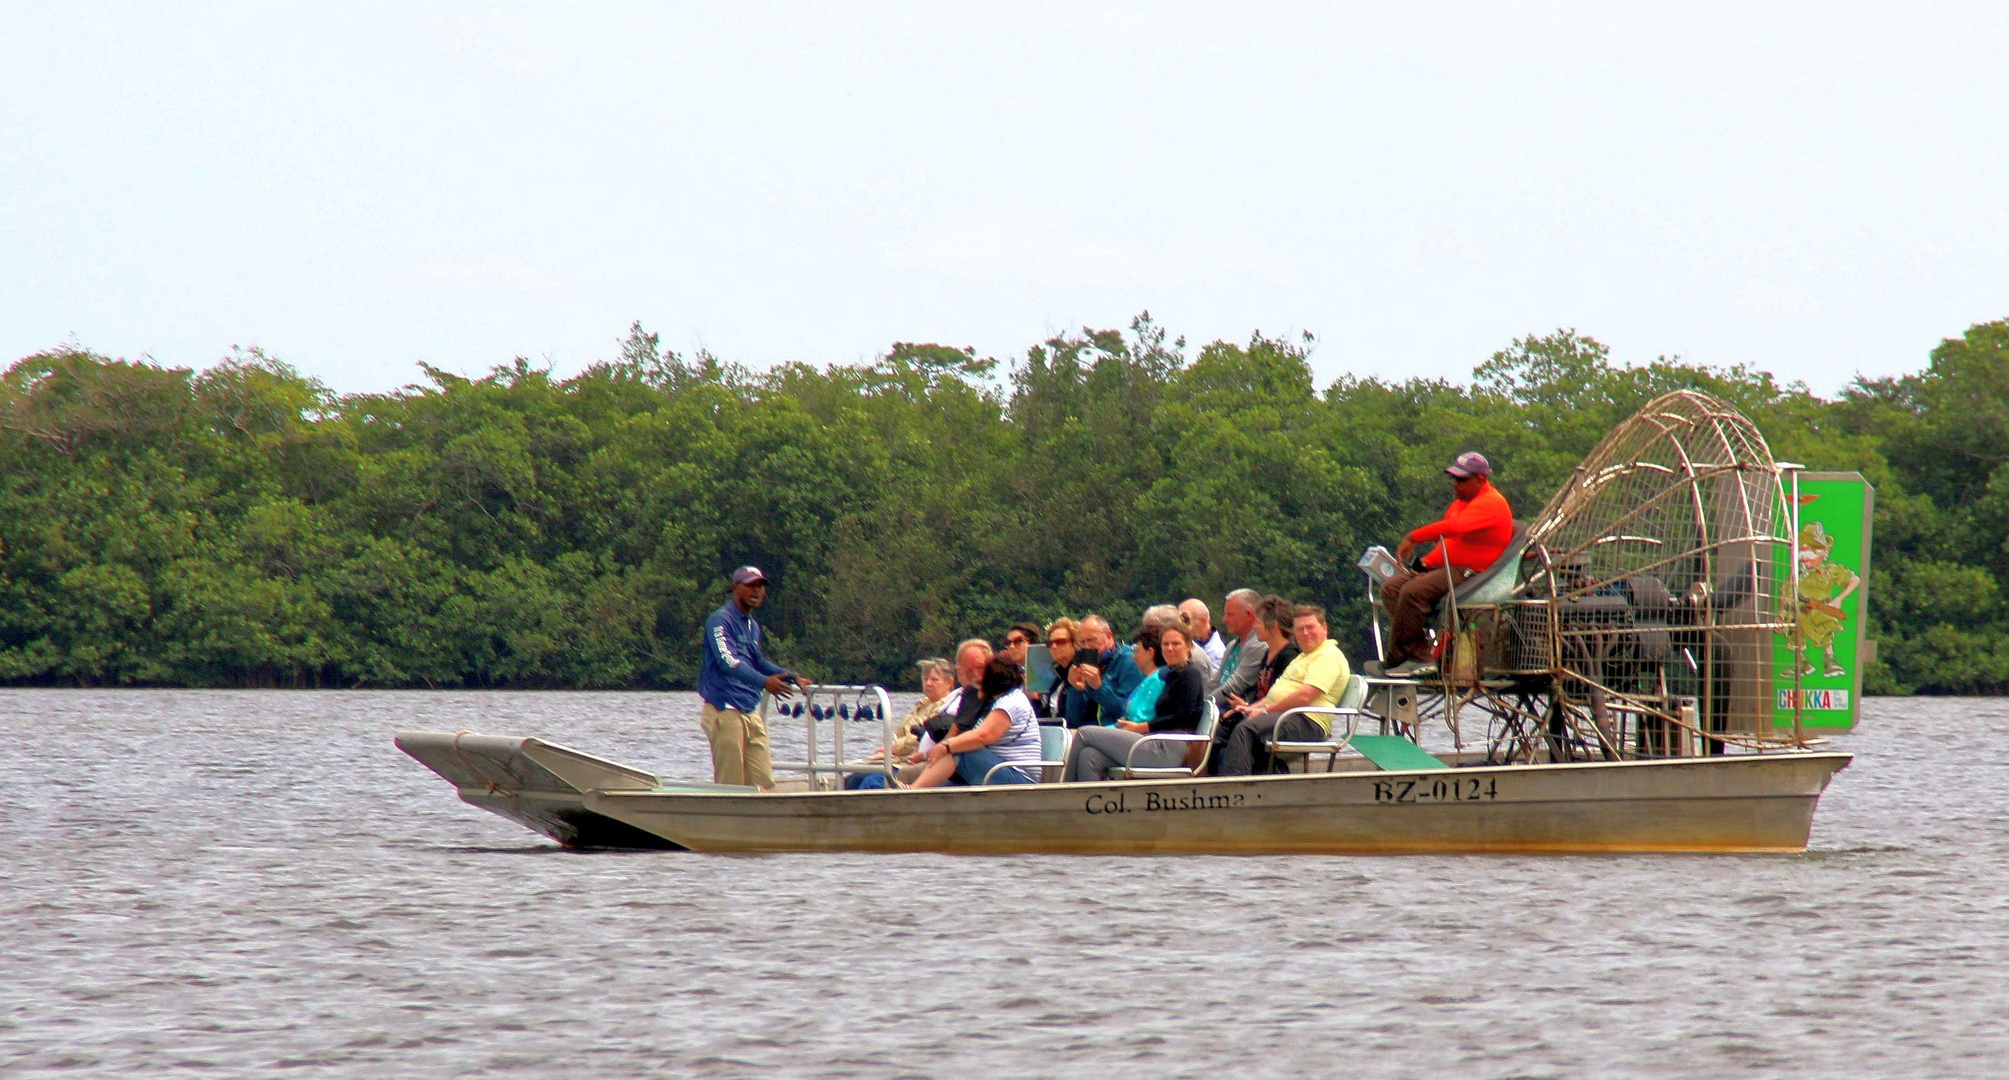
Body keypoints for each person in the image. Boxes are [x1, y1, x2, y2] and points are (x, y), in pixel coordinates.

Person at [1380, 451, 1514, 676]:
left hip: (1473, 573)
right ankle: (1411, 653)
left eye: (1461, 480)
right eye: (1453, 478)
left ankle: (1411, 658)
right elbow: (1450, 542)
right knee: (1391, 589)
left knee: (1413, 592)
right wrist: (1425, 564)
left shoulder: (1491, 503)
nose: (1455, 484)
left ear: (1480, 480)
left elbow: (1455, 528)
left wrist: (1414, 536)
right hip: (1448, 568)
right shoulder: (1460, 504)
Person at [697, 565, 811, 789]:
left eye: (760, 586)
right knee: (731, 784)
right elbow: (727, 661)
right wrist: (765, 682)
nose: (756, 591)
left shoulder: (752, 625)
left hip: (750, 709)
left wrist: (791, 676)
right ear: (735, 588)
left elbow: (757, 661)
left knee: (763, 781)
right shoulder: (720, 620)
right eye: (750, 585)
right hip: (725, 709)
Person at [1216, 604, 1351, 776]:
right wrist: (1253, 708)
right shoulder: (1303, 657)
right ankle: (1203, 783)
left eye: (1310, 627)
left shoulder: (1328, 655)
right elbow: (1277, 693)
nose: (1305, 633)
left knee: (1246, 730)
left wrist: (1264, 711)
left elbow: (1305, 696)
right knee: (1226, 724)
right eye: (1300, 629)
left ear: (1324, 628)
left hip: (1309, 721)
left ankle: (1233, 787)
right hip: (1287, 716)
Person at [1063, 624, 1208, 782]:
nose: (1169, 648)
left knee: (1084, 733)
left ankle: (1062, 792)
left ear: (1189, 645)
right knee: (1089, 756)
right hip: (1153, 740)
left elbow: (1182, 717)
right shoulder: (1168, 675)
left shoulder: (1189, 674)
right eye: (1165, 644)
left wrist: (1140, 727)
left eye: (1176, 644)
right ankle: (1085, 803)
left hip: (1169, 748)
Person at [910, 655, 1045, 787]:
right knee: (943, 785)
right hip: (997, 768)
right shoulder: (996, 702)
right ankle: (917, 793)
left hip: (1018, 777)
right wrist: (927, 754)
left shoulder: (1011, 702)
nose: (976, 681)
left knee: (961, 749)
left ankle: (913, 790)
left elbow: (982, 736)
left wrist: (945, 746)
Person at [1209, 593, 1297, 769]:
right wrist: (1245, 705)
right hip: (1257, 710)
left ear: (1273, 626)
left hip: (1275, 717)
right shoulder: (1267, 653)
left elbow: (1279, 696)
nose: (1254, 627)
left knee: (1226, 733)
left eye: (1258, 622)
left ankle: (1232, 783)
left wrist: (1250, 708)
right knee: (1213, 731)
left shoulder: (1289, 656)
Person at [1071, 614, 1144, 725]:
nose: (1086, 647)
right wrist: (1077, 689)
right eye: (1082, 642)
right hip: (1093, 729)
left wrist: (1098, 687)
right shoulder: (1089, 662)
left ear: (1109, 636)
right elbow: (1075, 719)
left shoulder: (1129, 661)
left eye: (1091, 640)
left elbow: (1127, 713)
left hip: (1120, 730)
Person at [1212, 588, 1268, 709]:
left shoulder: (1258, 645)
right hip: (1216, 708)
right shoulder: (1232, 645)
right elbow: (1215, 682)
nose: (1224, 619)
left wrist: (1204, 704)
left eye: (1230, 614)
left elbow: (1235, 686)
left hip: (1234, 714)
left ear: (1249, 615)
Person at [1042, 617, 1100, 727]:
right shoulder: (1058, 679)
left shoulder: (1085, 672)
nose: (1054, 646)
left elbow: (1077, 717)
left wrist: (1076, 688)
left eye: (1060, 642)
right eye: (1050, 643)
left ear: (1076, 643)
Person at [1180, 598, 1228, 673]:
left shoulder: (1215, 654)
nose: (1180, 625)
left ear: (1203, 620)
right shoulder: (1194, 641)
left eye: (1186, 621)